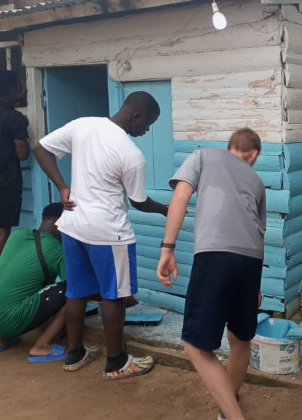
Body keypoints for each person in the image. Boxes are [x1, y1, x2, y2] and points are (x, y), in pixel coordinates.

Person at [33, 91, 169, 380]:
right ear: (136, 115)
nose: (146, 130)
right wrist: (167, 209)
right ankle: (116, 361)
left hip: (73, 226)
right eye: (148, 123)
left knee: (76, 290)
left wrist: (62, 187)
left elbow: (40, 148)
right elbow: (138, 201)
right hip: (109, 233)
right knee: (115, 296)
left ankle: (75, 353)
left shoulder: (83, 125)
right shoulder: (131, 155)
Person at [157, 128, 266, 420]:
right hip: (251, 262)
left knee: (196, 346)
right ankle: (227, 407)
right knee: (241, 340)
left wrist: (167, 247)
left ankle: (233, 416)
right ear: (253, 154)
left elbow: (180, 196)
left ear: (230, 146)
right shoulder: (257, 181)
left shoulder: (203, 156)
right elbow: (259, 230)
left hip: (216, 255)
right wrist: (255, 285)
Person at [0, 203, 69, 361]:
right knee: (73, 292)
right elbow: (77, 287)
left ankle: (0, 339)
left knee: (20, 287)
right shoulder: (57, 250)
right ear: (60, 223)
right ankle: (42, 346)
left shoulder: (16, 236)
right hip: (9, 320)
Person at [0, 70, 30, 272]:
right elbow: (22, 153)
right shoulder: (14, 118)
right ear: (13, 89)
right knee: (1, 234)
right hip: (3, 183)